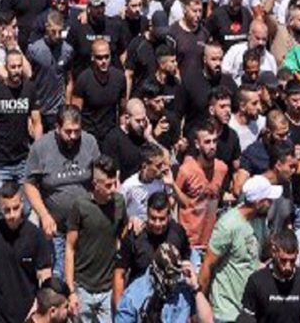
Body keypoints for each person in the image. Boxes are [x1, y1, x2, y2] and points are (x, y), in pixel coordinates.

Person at [24, 106, 100, 281]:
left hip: (84, 226)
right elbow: (29, 185)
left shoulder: (90, 143)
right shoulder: (41, 147)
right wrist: (43, 215)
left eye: (77, 131)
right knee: (58, 276)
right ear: (57, 128)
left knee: (84, 274)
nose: (73, 136)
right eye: (68, 132)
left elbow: (99, 176)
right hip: (56, 228)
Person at [198, 175, 279, 323]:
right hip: (227, 312)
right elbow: (207, 265)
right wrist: (201, 304)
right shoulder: (228, 225)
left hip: (250, 309)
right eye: (269, 200)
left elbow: (258, 253)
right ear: (259, 202)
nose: (272, 203)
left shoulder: (260, 220)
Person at [0, 182, 51, 323]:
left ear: (22, 203)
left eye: (16, 208)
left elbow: (45, 275)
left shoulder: (35, 235)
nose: (12, 215)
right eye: (7, 210)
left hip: (26, 314)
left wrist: (40, 307)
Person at [65, 155, 127, 323]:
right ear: (95, 184)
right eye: (108, 185)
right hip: (83, 287)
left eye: (115, 183)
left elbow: (123, 237)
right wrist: (71, 291)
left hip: (108, 288)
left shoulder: (119, 203)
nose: (113, 189)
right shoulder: (80, 206)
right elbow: (70, 249)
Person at [113, 191, 191, 308]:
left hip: (170, 304)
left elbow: (187, 263)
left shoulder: (178, 233)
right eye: (153, 218)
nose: (157, 224)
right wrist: (121, 311)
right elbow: (119, 274)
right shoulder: (135, 236)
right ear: (147, 214)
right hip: (139, 302)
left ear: (169, 215)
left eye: (162, 219)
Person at [0, 49, 42, 182]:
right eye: (13, 67)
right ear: (6, 67)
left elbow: (37, 123)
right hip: (0, 163)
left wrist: (37, 155)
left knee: (25, 201)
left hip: (23, 160)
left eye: (19, 66)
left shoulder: (30, 89)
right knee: (3, 202)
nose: (17, 70)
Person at [115, 243, 210, 323]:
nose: (171, 284)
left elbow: (208, 321)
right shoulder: (133, 296)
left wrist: (196, 288)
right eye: (167, 278)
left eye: (174, 277)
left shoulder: (183, 290)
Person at [238, 229, 300, 323]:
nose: (288, 267)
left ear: (297, 253)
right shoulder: (257, 281)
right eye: (283, 260)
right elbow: (246, 318)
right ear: (274, 252)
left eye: (292, 261)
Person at [175, 119, 228, 257]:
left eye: (214, 141)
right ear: (197, 144)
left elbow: (219, 198)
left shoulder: (222, 168)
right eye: (207, 142)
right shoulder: (186, 170)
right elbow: (173, 202)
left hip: (211, 241)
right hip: (189, 241)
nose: (212, 146)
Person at [71, 39, 127, 144]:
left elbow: (123, 109)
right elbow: (75, 113)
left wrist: (122, 130)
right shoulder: (83, 79)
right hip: (89, 134)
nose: (104, 61)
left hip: (110, 133)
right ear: (92, 57)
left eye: (107, 57)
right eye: (99, 58)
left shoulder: (119, 78)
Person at [27, 10, 74, 132]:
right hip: (38, 107)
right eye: (54, 32)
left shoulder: (67, 50)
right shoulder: (35, 50)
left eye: (60, 31)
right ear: (47, 28)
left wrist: (67, 107)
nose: (57, 36)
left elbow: (69, 81)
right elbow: (28, 80)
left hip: (57, 109)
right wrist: (28, 114)